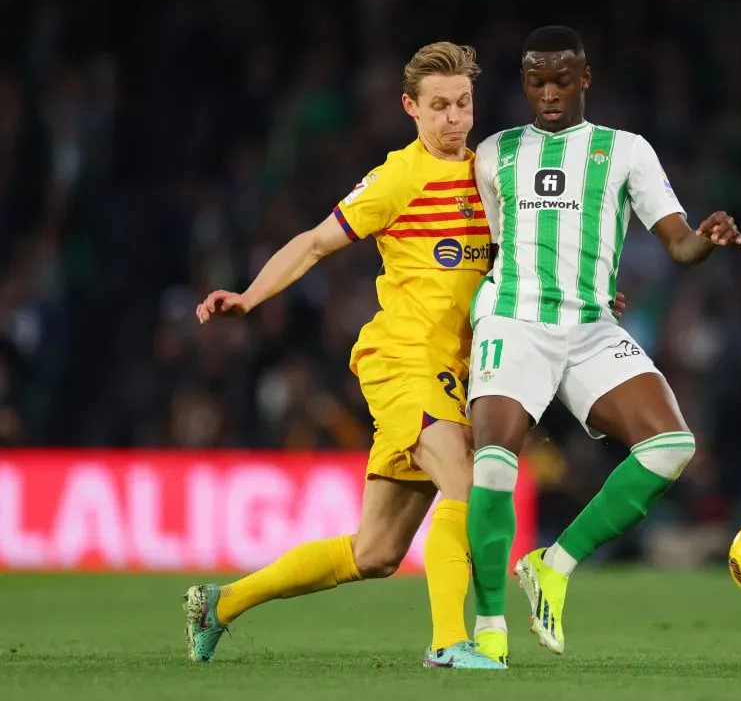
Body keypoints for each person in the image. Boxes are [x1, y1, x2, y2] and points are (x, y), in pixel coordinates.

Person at [186, 41, 507, 670]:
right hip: (403, 359)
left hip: (455, 369)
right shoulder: (397, 177)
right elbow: (312, 244)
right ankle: (448, 642)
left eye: (464, 104)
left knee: (376, 553)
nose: (455, 119)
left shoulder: (491, 176)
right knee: (467, 484)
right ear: (410, 108)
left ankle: (218, 604)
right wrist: (250, 297)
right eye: (439, 106)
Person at [466, 25, 741, 662]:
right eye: (536, 81)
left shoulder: (625, 152)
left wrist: (706, 237)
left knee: (671, 447)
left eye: (562, 79)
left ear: (584, 79)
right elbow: (489, 249)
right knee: (493, 461)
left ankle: (553, 566)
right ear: (524, 84)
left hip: (590, 327)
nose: (550, 93)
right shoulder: (494, 154)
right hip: (514, 319)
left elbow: (677, 242)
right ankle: (487, 634)